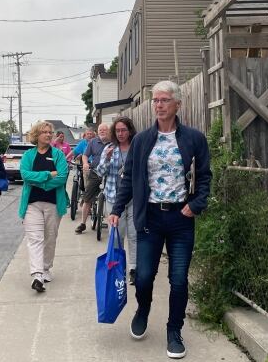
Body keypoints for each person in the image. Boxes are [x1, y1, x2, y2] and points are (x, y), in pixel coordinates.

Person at [109, 81, 211, 359]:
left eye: (164, 100)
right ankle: (143, 308)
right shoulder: (142, 140)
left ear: (177, 104)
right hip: (150, 218)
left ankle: (173, 330)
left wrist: (195, 205)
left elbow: (204, 177)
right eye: (155, 100)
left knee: (178, 279)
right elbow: (129, 178)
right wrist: (117, 208)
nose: (159, 105)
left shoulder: (194, 138)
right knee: (143, 277)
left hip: (181, 218)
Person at [18, 121, 69, 293]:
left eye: (50, 132)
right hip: (32, 204)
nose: (48, 134)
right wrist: (47, 175)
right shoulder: (28, 155)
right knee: (35, 239)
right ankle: (37, 275)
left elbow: (62, 177)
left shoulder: (58, 155)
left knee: (50, 237)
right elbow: (25, 175)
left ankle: (46, 268)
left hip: (53, 204)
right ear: (36, 135)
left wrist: (40, 182)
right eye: (44, 132)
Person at [95, 116, 137, 285]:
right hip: (113, 197)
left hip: (134, 199)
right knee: (117, 234)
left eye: (123, 130)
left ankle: (134, 268)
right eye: (117, 130)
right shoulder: (109, 148)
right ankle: (117, 267)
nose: (120, 134)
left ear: (130, 131)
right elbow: (99, 172)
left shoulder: (136, 147)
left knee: (134, 235)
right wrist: (107, 159)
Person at [75, 123, 110, 234]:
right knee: (87, 198)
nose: (102, 131)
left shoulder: (114, 143)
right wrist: (85, 163)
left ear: (109, 131)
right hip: (95, 172)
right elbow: (85, 155)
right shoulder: (93, 142)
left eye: (105, 129)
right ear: (97, 132)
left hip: (109, 174)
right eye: (100, 130)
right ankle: (83, 223)